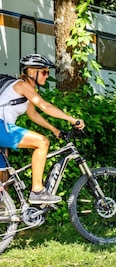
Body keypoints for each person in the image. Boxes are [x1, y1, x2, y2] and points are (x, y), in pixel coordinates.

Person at [0, 54, 85, 204]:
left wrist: (54, 129)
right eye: (45, 72)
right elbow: (44, 106)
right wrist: (72, 119)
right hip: (1, 127)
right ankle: (37, 191)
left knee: (2, 180)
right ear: (32, 72)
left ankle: (7, 216)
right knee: (42, 142)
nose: (47, 76)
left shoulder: (27, 90)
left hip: (3, 130)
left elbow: (33, 114)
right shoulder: (22, 85)